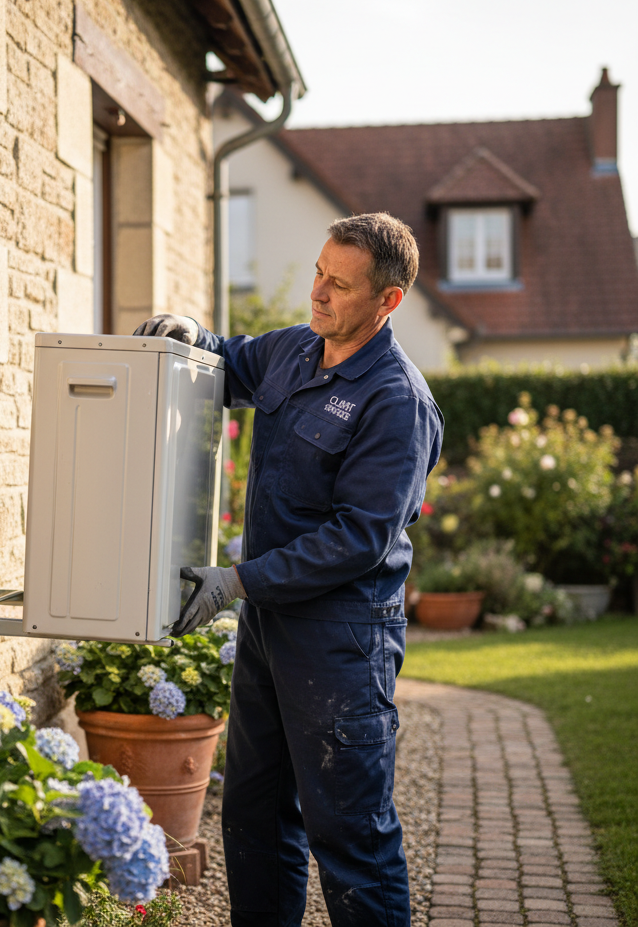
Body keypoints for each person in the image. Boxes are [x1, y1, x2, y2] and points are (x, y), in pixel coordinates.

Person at [134, 212, 443, 927]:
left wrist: (234, 582)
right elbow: (230, 360)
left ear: (388, 300)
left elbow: (359, 538)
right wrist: (192, 334)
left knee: (351, 836)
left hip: (341, 642)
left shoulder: (396, 401)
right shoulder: (295, 352)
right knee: (254, 814)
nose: (319, 292)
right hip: (270, 631)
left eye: (340, 283)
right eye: (317, 271)